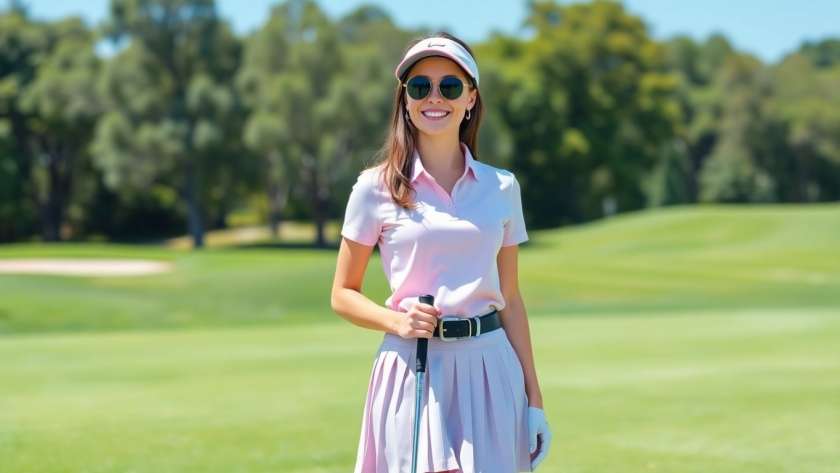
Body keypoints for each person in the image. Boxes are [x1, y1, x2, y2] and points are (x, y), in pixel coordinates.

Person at [331, 32, 552, 473]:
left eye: (449, 86)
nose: (435, 97)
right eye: (420, 87)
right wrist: (397, 320)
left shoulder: (502, 187)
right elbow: (342, 293)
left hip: (491, 369)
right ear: (406, 101)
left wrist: (535, 399)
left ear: (470, 97)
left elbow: (510, 298)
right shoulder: (374, 187)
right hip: (413, 367)